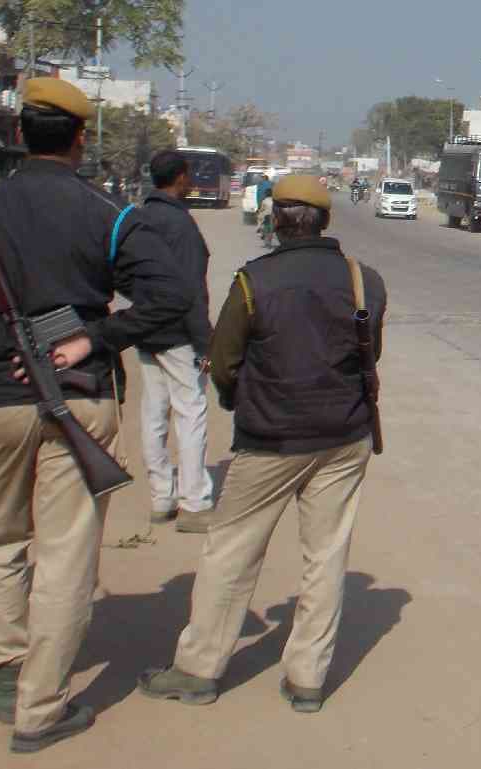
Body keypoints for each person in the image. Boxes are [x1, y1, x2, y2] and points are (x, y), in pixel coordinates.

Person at [0, 77, 191, 753]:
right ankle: (39, 705)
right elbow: (169, 297)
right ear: (79, 139)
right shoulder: (106, 212)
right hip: (80, 394)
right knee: (67, 555)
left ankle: (6, 671)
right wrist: (91, 338)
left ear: (16, 136)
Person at [137, 175, 387, 714]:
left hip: (269, 439)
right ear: (326, 221)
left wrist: (238, 398)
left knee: (231, 552)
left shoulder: (254, 281)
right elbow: (371, 354)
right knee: (325, 555)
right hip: (344, 437)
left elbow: (223, 363)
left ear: (274, 219)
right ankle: (307, 680)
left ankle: (199, 669)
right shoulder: (365, 281)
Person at [136, 150, 216, 529]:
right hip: (178, 333)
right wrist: (205, 341)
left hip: (146, 328)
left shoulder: (139, 217)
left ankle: (161, 497)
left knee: (154, 413)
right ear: (180, 178)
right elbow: (190, 289)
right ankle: (194, 501)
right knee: (190, 412)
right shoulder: (180, 225)